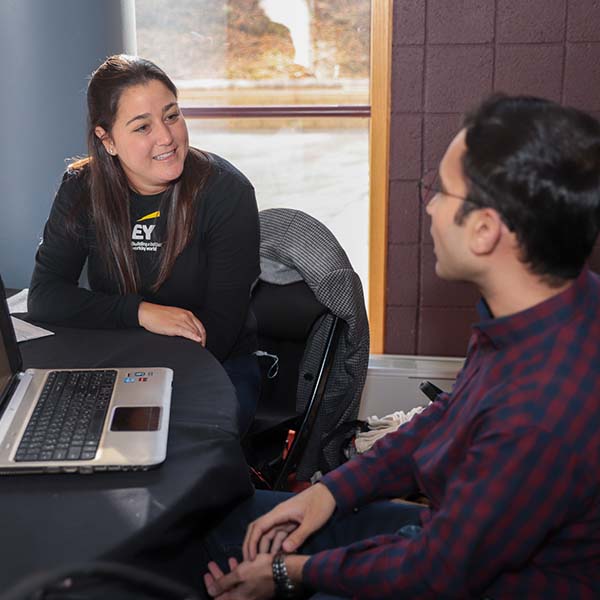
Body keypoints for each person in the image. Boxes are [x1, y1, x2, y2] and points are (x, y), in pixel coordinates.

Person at [201, 94, 600, 598]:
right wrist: (330, 492)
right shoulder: (548, 305)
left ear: (484, 231)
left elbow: (436, 572)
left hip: (468, 578)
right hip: (447, 540)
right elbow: (452, 416)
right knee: (219, 522)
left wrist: (288, 575)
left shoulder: (540, 412)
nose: (430, 205)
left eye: (440, 191)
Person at [27, 55, 261, 434]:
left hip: (214, 366)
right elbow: (45, 295)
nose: (166, 137)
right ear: (108, 140)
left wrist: (143, 388)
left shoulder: (227, 193)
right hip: (117, 358)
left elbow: (218, 330)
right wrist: (141, 312)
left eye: (172, 116)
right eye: (142, 127)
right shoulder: (81, 188)